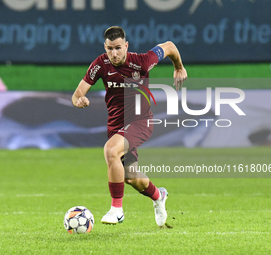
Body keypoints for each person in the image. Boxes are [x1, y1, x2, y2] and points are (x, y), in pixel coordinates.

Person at [71, 26, 187, 227]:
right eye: (109, 49)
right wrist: (79, 100)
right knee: (133, 178)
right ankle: (159, 195)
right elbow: (77, 93)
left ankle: (117, 210)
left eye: (117, 48)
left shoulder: (142, 61)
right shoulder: (100, 64)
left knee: (110, 151)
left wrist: (178, 66)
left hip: (140, 122)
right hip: (116, 126)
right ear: (105, 47)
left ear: (126, 46)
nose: (113, 53)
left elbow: (168, 46)